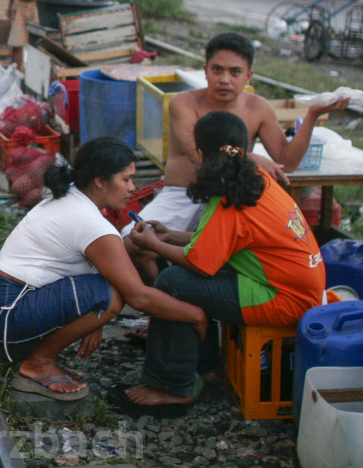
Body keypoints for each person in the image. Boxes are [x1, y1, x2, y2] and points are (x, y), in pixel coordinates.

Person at [116, 111, 325, 416]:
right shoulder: (253, 179)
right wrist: (169, 235)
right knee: (183, 279)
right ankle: (207, 368)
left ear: (200, 154)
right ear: (245, 146)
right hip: (300, 287)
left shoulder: (228, 196)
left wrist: (154, 244)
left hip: (284, 298)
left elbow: (201, 265)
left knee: (172, 284)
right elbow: (219, 241)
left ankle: (170, 386)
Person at [0, 137, 209, 400]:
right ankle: (38, 363)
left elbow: (95, 266)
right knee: (112, 297)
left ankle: (41, 357)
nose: (133, 188)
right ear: (100, 180)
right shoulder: (89, 222)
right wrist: (197, 315)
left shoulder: (72, 197)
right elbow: (138, 296)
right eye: (126, 179)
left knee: (108, 289)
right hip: (7, 314)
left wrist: (94, 323)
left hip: (1, 304)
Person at [124, 31, 348, 283]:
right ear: (205, 70)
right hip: (184, 193)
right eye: (217, 70)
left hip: (230, 197)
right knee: (133, 242)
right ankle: (160, 298)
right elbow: (198, 152)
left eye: (235, 72)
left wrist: (312, 116)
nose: (224, 80)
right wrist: (250, 157)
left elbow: (289, 161)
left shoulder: (258, 107)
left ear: (249, 76)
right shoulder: (183, 103)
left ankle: (181, 296)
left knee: (228, 255)